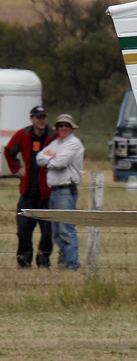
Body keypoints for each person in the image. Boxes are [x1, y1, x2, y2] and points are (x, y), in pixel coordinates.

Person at [4, 105, 54, 268]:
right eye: (38, 117)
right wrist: (17, 168)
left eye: (43, 117)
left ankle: (43, 261)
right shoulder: (23, 134)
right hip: (27, 192)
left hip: (47, 193)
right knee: (23, 230)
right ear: (31, 119)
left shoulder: (52, 136)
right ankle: (24, 262)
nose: (41, 120)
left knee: (47, 232)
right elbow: (8, 152)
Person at [36, 114, 85, 271]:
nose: (63, 128)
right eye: (60, 126)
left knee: (66, 229)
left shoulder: (74, 144)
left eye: (67, 125)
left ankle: (71, 264)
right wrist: (52, 160)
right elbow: (39, 157)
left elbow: (61, 163)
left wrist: (49, 160)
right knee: (56, 231)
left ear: (71, 128)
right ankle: (64, 263)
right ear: (56, 128)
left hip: (66, 191)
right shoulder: (56, 143)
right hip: (55, 191)